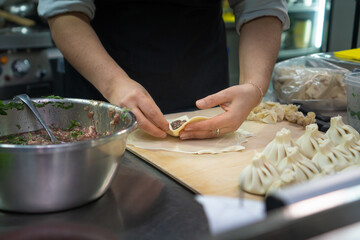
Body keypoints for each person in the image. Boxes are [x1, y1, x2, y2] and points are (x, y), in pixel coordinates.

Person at [38, 0, 289, 140]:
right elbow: (66, 12)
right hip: (103, 97)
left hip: (204, 91)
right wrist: (115, 83)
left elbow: (261, 8)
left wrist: (254, 86)